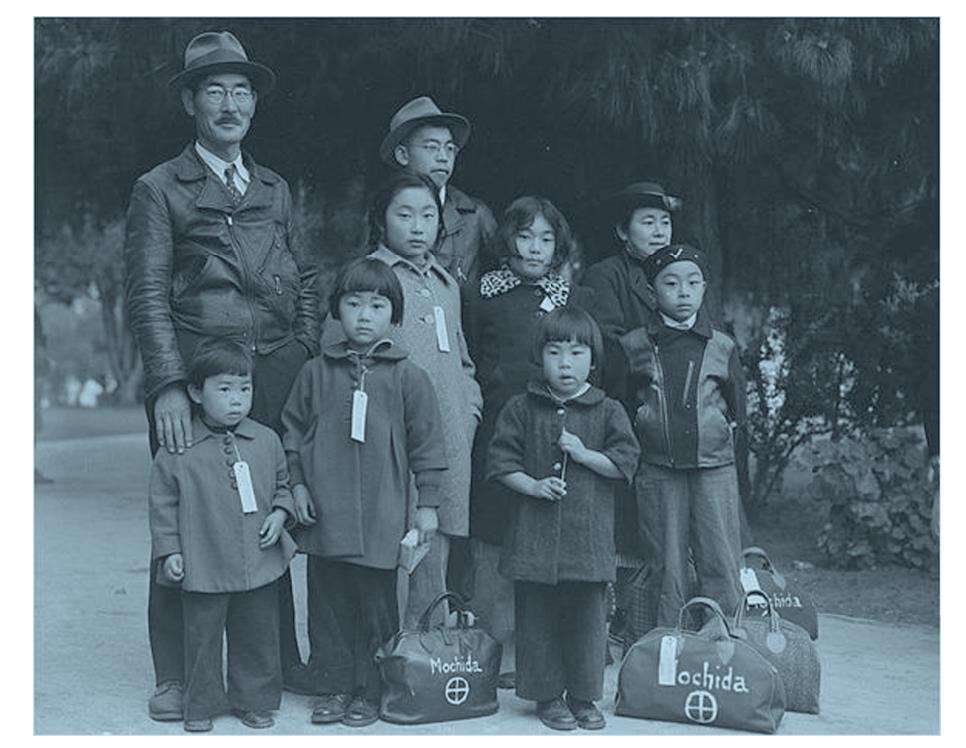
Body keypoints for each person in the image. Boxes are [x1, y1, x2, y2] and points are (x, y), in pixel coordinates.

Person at [124, 31, 319, 720]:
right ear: (190, 102)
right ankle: (177, 675)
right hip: (198, 378)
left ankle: (276, 662)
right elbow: (148, 294)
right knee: (188, 519)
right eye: (215, 91)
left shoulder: (274, 189)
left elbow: (305, 278)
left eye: (242, 91)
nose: (231, 105)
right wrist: (168, 386)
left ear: (254, 105)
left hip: (272, 373)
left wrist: (302, 350)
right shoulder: (158, 188)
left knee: (267, 513)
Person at [281, 258, 448, 727]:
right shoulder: (315, 372)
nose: (364, 315)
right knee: (328, 604)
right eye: (354, 304)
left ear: (394, 314)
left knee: (376, 606)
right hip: (325, 514)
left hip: (381, 515)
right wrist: (296, 485)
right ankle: (334, 686)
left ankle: (371, 691)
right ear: (337, 310)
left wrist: (428, 505)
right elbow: (291, 433)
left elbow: (428, 446)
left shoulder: (409, 377)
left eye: (377, 306)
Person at [322, 172, 482, 630]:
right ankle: (389, 649)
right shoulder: (369, 277)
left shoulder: (446, 283)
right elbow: (336, 355)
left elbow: (462, 358)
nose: (417, 226)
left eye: (428, 215)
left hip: (447, 436)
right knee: (393, 544)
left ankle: (427, 649)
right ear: (382, 219)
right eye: (405, 215)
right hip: (388, 439)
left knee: (438, 537)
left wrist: (469, 409)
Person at [485, 307, 640, 731]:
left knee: (587, 621)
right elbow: (501, 463)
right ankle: (548, 697)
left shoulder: (608, 410)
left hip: (588, 541)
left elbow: (625, 464)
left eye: (576, 353)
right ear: (540, 357)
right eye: (554, 353)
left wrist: (585, 454)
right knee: (537, 619)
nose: (565, 364)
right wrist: (533, 486)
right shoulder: (521, 407)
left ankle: (584, 697)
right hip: (532, 540)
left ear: (594, 358)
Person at [464, 196, 592, 686]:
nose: (536, 248)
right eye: (525, 237)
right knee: (493, 531)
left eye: (546, 239)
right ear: (507, 241)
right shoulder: (481, 294)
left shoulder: (568, 298)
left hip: (550, 428)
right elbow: (470, 354)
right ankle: (491, 646)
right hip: (498, 427)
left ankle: (536, 652)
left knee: (540, 529)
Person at [149, 338, 297, 732]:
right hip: (204, 562)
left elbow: (282, 485)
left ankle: (254, 701)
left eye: (244, 388)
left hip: (257, 559)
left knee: (257, 634)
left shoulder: (266, 440)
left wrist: (281, 514)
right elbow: (162, 506)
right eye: (225, 389)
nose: (236, 399)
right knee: (202, 637)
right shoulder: (177, 449)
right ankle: (201, 703)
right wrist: (170, 551)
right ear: (196, 393)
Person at [629, 243, 746, 627]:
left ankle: (725, 641)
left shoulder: (722, 345)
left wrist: (722, 441)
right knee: (666, 563)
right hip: (658, 470)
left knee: (720, 557)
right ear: (652, 292)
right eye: (671, 283)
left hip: (714, 469)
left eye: (693, 283)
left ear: (704, 288)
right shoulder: (635, 345)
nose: (683, 292)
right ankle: (668, 644)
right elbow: (624, 403)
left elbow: (737, 408)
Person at [380, 95, 497, 295]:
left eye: (450, 149)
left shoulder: (475, 214)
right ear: (403, 155)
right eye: (432, 147)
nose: (443, 157)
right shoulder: (381, 208)